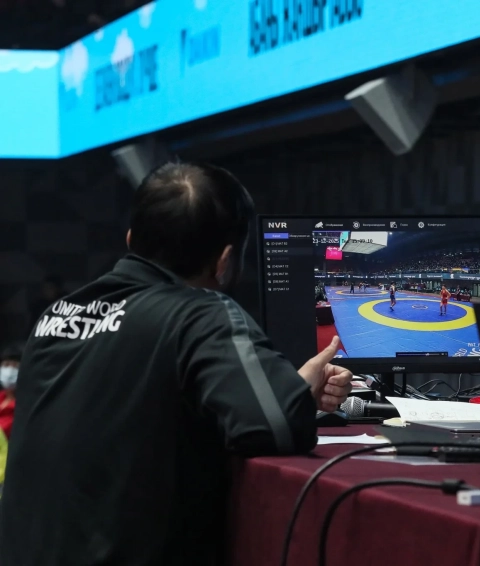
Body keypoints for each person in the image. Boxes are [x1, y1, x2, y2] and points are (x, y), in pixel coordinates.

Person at [0, 162, 353, 566]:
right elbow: (279, 425)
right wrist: (297, 391)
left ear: (131, 239)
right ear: (225, 261)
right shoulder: (201, 314)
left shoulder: (56, 315)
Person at [0, 343, 22, 440]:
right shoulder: (1, 397)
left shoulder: (23, 407)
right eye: (6, 365)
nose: (10, 371)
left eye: (15, 366)